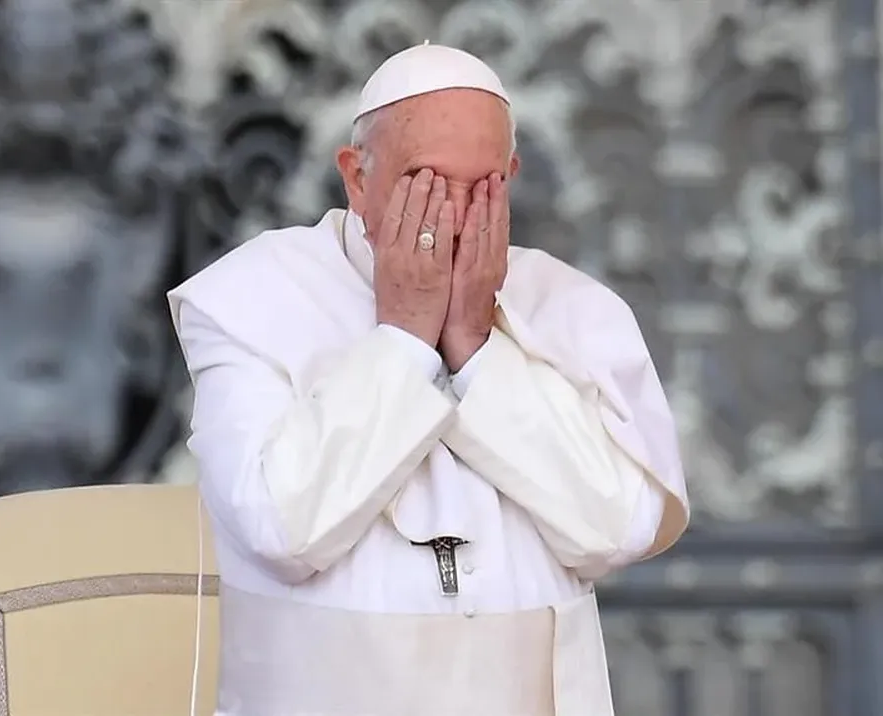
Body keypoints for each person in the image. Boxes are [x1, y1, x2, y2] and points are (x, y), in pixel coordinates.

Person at [169, 42, 689, 716]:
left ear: (513, 175)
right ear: (357, 177)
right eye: (427, 185)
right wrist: (408, 338)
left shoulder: (573, 306)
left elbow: (618, 529)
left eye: (483, 188)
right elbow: (283, 529)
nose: (452, 217)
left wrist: (476, 349)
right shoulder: (247, 299)